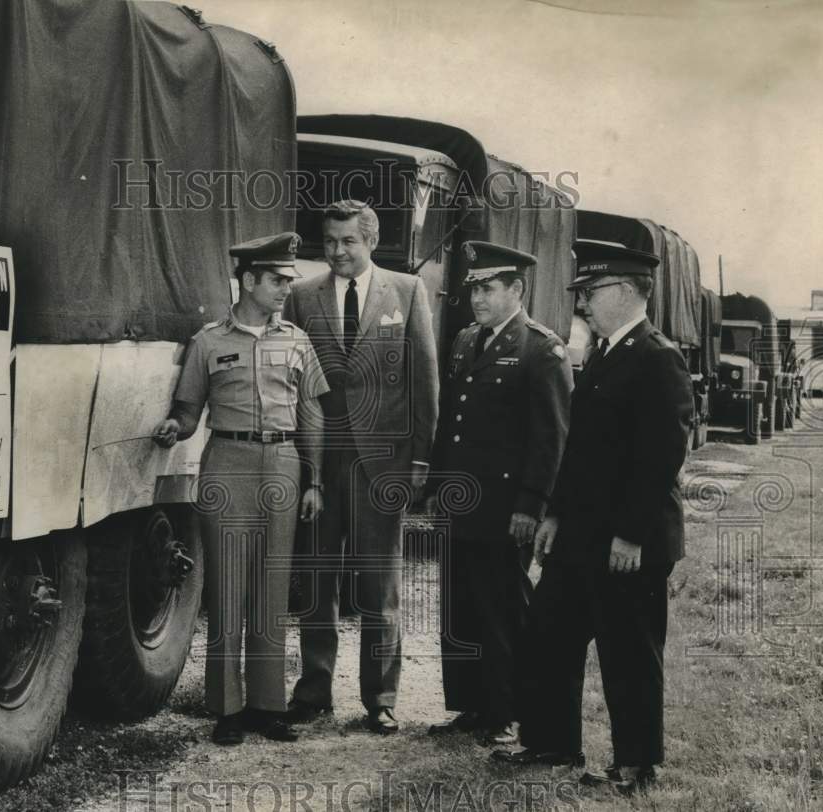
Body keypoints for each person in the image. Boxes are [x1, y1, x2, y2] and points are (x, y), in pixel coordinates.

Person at [494, 240, 693, 796]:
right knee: (550, 636)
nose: (583, 304)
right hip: (581, 536)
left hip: (630, 541)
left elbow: (659, 459)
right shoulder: (605, 353)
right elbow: (578, 451)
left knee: (628, 652)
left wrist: (630, 534)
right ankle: (552, 741)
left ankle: (635, 765)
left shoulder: (658, 357)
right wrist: (554, 515)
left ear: (627, 292)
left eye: (593, 292)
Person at [154, 232, 328, 746]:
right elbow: (189, 410)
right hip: (227, 461)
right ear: (248, 280)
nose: (285, 290)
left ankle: (268, 706)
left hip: (282, 463)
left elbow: (312, 413)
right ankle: (227, 708)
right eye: (276, 280)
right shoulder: (208, 342)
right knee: (227, 587)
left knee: (272, 588)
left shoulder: (297, 339)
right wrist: (174, 427)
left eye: (288, 282)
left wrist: (314, 479)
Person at [283, 200, 438, 734]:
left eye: (348, 241)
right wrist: (303, 465)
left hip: (384, 466)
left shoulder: (409, 292)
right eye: (329, 241)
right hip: (322, 460)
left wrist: (420, 460)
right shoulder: (302, 296)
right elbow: (294, 380)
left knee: (379, 587)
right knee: (317, 580)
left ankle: (381, 698)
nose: (338, 251)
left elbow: (424, 379)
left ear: (370, 240)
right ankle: (313, 689)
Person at [426, 241, 572, 744]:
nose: (478, 299)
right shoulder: (467, 340)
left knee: (503, 609)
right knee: (461, 605)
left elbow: (550, 438)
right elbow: (453, 425)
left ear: (517, 289)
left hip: (505, 508)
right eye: (474, 289)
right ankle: (472, 704)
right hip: (461, 502)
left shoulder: (540, 348)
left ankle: (508, 710)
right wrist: (437, 487)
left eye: (489, 288)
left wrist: (532, 505)